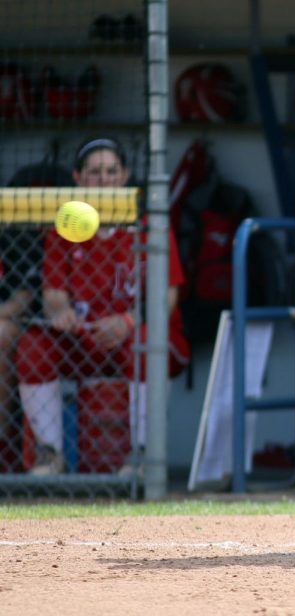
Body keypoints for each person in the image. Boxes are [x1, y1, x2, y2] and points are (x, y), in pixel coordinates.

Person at [15, 137, 190, 475]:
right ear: (78, 178)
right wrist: (60, 312)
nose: (104, 179)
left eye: (111, 170)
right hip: (84, 339)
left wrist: (127, 320)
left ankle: (142, 457)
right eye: (94, 172)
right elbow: (53, 293)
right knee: (34, 345)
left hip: (135, 338)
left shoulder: (148, 225)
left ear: (124, 175)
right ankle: (50, 454)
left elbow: (167, 297)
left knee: (144, 338)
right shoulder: (66, 226)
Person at [0, 228, 42, 471]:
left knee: (2, 333)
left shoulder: (15, 232)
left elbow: (24, 299)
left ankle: (2, 446)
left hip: (6, 320)